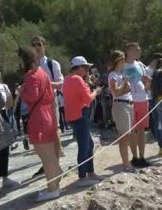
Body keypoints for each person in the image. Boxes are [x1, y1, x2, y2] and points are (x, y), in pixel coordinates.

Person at [18, 46, 62, 202]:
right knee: (50, 155)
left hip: (38, 117)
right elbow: (49, 96)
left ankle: (52, 190)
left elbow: (33, 95)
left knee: (46, 157)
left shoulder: (31, 76)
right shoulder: (43, 73)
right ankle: (54, 186)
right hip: (47, 114)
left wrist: (21, 92)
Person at [63, 56, 104, 187]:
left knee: (89, 145)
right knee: (84, 147)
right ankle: (82, 176)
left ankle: (90, 172)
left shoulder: (68, 79)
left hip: (73, 116)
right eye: (86, 68)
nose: (87, 70)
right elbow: (87, 99)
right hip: (81, 115)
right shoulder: (77, 80)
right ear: (80, 67)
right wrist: (96, 92)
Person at [31, 36, 65, 178]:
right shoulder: (30, 66)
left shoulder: (52, 64)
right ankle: (48, 164)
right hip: (36, 105)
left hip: (50, 101)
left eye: (38, 44)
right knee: (40, 137)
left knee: (54, 133)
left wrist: (44, 83)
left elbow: (61, 83)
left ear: (45, 46)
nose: (36, 47)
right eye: (33, 45)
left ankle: (56, 165)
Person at [122, 42, 151, 167]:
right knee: (132, 131)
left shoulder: (140, 65)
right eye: (136, 49)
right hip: (130, 100)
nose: (139, 51)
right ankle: (134, 157)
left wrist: (147, 83)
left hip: (143, 99)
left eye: (139, 49)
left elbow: (146, 85)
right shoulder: (122, 66)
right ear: (129, 51)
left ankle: (142, 156)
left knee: (142, 130)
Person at [108, 50, 135, 172]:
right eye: (123, 59)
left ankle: (127, 161)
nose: (125, 61)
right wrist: (124, 82)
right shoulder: (113, 75)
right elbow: (117, 92)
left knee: (128, 135)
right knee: (123, 137)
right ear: (118, 61)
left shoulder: (121, 74)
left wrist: (125, 84)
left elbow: (128, 90)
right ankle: (126, 164)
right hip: (120, 106)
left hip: (128, 104)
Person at [0, 74, 20, 190]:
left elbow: (9, 103)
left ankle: (5, 177)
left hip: (2, 117)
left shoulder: (3, 86)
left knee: (4, 148)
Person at [145, 52, 162, 146]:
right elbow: (146, 86)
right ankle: (161, 144)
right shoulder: (147, 70)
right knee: (158, 121)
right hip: (152, 98)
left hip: (159, 97)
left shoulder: (156, 70)